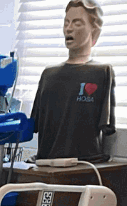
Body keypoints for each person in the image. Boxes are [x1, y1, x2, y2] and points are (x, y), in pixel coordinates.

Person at [31, 0, 115, 162]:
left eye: (77, 23)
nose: (69, 28)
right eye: (66, 23)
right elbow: (34, 124)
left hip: (85, 165)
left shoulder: (101, 72)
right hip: (46, 164)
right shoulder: (48, 74)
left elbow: (107, 127)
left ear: (94, 29)